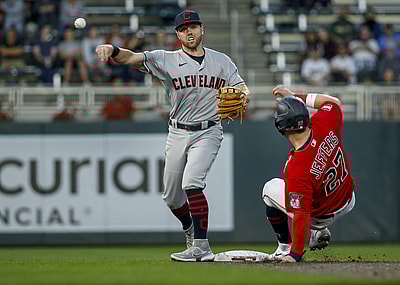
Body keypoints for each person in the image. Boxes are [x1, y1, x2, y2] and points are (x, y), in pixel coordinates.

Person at [95, 10, 249, 262]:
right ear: (177, 34)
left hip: (209, 130)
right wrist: (112, 49)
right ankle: (190, 230)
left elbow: (241, 87)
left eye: (194, 27)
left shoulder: (222, 61)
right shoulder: (165, 59)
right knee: (172, 197)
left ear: (202, 30)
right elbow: (132, 58)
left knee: (192, 183)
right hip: (178, 131)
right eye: (184, 28)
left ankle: (201, 245)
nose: (189, 31)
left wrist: (245, 95)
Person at [261, 86, 356, 262]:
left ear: (282, 127)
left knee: (269, 189)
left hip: (321, 216)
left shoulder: (297, 167)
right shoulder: (324, 122)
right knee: (310, 189)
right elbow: (333, 102)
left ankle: (285, 248)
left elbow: (301, 215)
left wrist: (295, 254)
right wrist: (295, 97)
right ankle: (316, 233)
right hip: (348, 198)